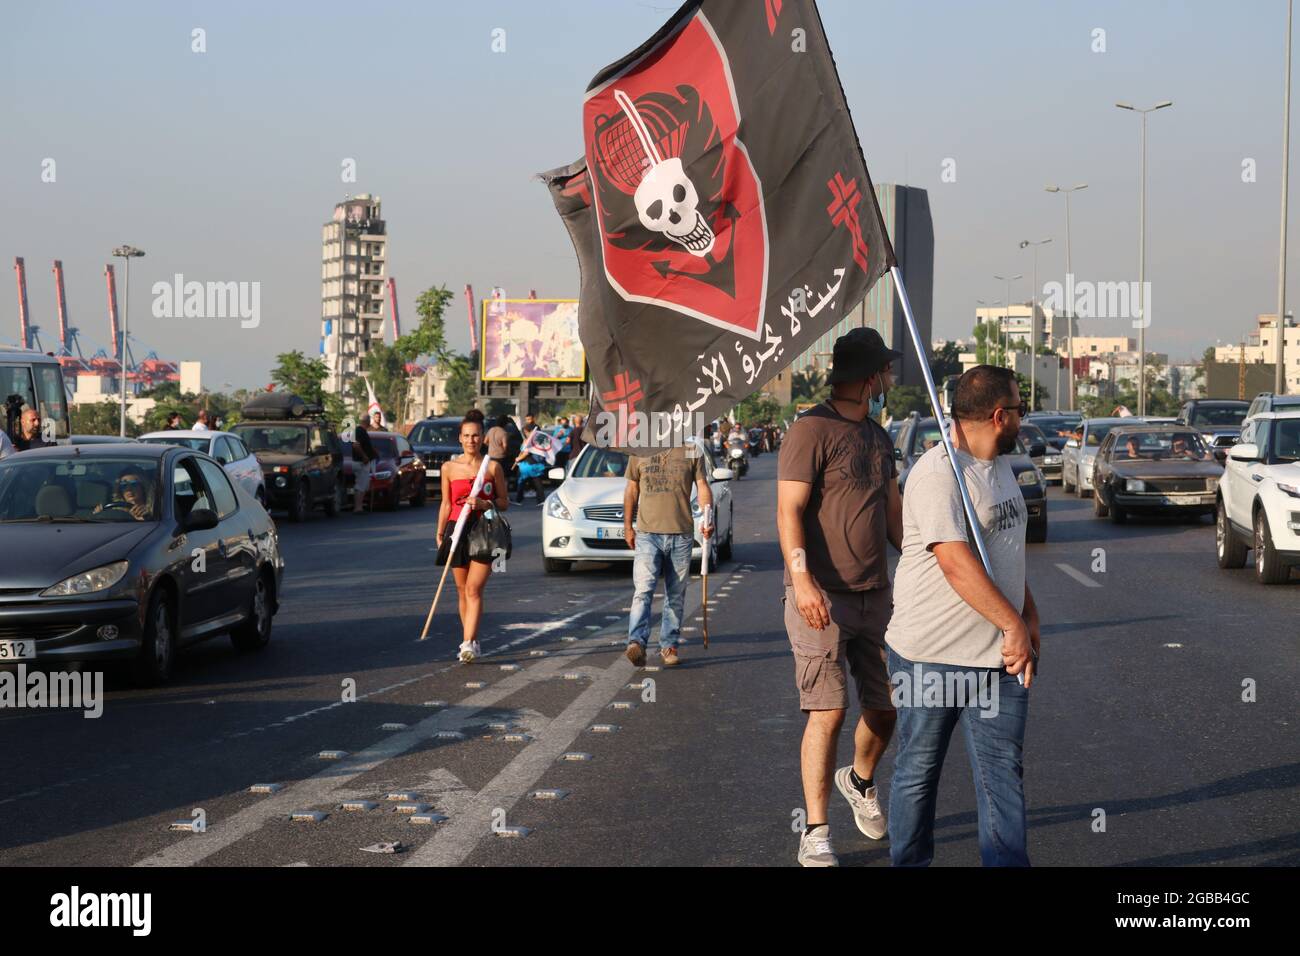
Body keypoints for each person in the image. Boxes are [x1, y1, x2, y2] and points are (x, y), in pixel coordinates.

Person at [885, 365, 1038, 867]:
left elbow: (1004, 551)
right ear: (999, 415)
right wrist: (1012, 623)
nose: (1023, 418)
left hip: (999, 661)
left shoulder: (999, 466)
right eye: (1020, 408)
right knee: (917, 773)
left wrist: (1027, 613)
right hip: (932, 659)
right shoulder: (937, 474)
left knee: (1002, 776)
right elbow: (955, 562)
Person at [777, 327, 904, 868]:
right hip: (821, 597)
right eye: (886, 371)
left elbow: (895, 515)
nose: (891, 380)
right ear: (870, 377)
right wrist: (803, 580)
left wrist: (929, 565)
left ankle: (859, 779)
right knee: (828, 711)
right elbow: (788, 512)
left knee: (887, 707)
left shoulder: (878, 437)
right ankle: (816, 829)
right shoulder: (811, 429)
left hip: (876, 596)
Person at [623, 443, 713, 668]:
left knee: (675, 593)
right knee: (643, 590)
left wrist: (707, 518)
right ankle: (636, 642)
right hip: (647, 534)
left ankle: (669, 645)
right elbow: (632, 488)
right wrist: (627, 526)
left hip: (681, 534)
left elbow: (702, 485)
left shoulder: (692, 449)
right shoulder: (639, 448)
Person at [436, 416, 509, 663]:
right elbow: (446, 503)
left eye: (476, 435)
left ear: (483, 438)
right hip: (456, 529)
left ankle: (467, 643)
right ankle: (472, 638)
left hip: (485, 531)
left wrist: (484, 503)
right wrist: (439, 533)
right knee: (460, 589)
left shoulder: (492, 467)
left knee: (473, 588)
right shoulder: (449, 468)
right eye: (466, 436)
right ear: (460, 438)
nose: (471, 440)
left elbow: (504, 502)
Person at [513, 423, 549, 503]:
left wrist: (518, 459)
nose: (525, 433)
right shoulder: (538, 440)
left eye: (525, 432)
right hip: (536, 466)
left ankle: (519, 499)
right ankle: (541, 500)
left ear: (529, 431)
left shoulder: (530, 441)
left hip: (527, 465)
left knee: (521, 483)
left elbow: (526, 453)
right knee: (538, 483)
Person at [352, 419, 377, 513]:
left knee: (363, 484)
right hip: (361, 462)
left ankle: (359, 506)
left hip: (361, 462)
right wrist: (364, 456)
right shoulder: (359, 431)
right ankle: (358, 507)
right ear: (367, 421)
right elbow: (356, 445)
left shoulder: (361, 431)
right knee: (361, 485)